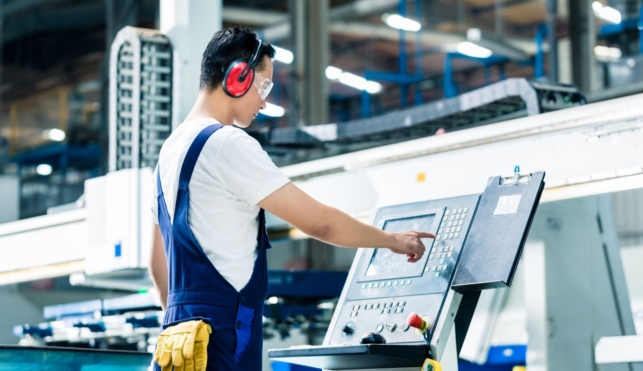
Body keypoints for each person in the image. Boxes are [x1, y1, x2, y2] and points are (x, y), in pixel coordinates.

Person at [148, 26, 435, 371]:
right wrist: (391, 240)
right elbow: (322, 224)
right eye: (264, 85)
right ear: (238, 77)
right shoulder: (227, 143)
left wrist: (185, 327)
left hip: (179, 347)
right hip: (223, 337)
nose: (265, 101)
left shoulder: (168, 153)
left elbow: (157, 263)